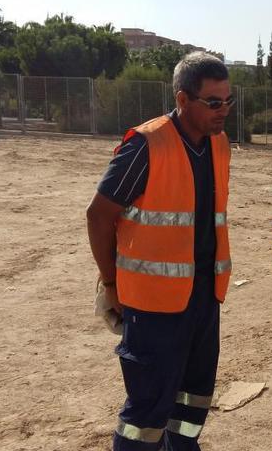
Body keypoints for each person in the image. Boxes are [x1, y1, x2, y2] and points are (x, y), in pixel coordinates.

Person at [86, 52, 235, 451]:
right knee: (147, 412)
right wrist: (110, 283)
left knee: (192, 401)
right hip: (154, 308)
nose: (224, 111)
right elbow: (99, 216)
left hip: (205, 297)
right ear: (183, 100)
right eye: (214, 102)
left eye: (228, 100)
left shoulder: (219, 146)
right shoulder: (146, 145)